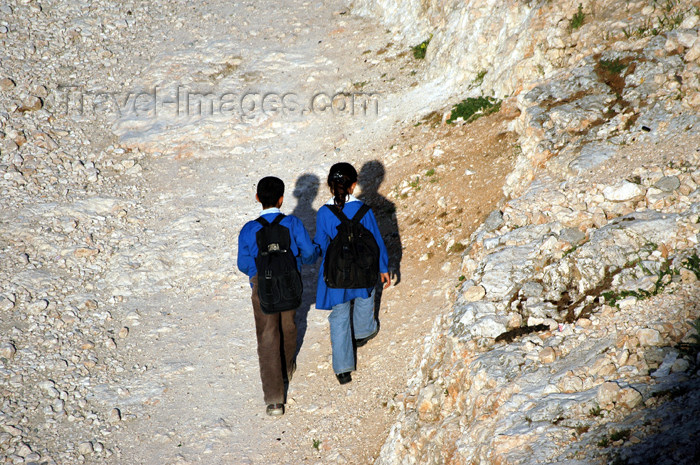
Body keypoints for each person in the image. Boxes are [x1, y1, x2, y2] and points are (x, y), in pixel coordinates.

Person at [237, 176, 318, 416]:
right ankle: (286, 369)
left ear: (257, 198)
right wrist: (297, 262)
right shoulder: (292, 223)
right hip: (289, 282)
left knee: (267, 335)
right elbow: (310, 253)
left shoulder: (249, 229)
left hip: (262, 285)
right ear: (282, 199)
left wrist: (256, 274)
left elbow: (243, 263)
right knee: (289, 326)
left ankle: (274, 400)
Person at [314, 162, 390, 385]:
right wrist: (383, 268)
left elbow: (321, 244)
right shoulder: (364, 210)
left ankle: (343, 369)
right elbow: (376, 241)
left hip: (336, 274)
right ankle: (363, 332)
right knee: (365, 296)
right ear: (354, 185)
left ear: (329, 186)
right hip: (363, 268)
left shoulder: (324, 213)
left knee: (339, 316)